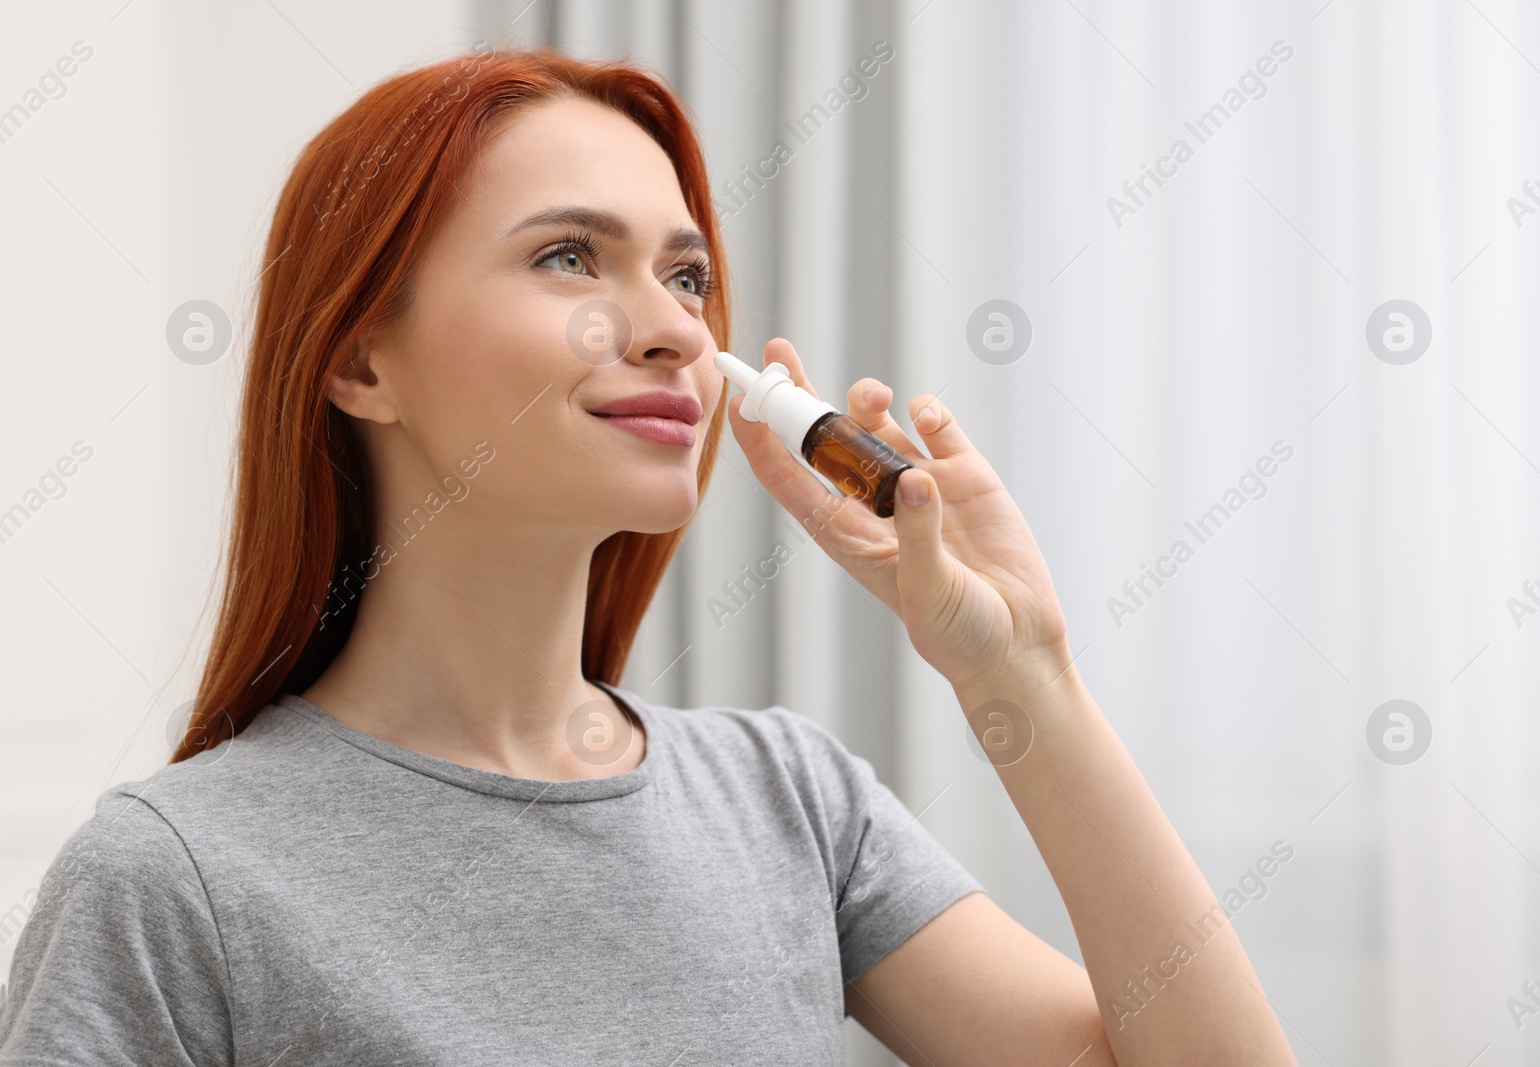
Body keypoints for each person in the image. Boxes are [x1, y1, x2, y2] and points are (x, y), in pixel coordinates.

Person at [0, 46, 1294, 1065]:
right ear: (357, 359)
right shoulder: (174, 880)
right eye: (571, 256)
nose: (679, 329)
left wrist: (1026, 675)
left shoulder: (791, 803)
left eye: (688, 276)